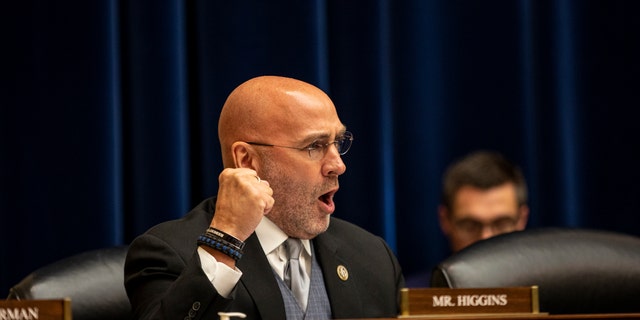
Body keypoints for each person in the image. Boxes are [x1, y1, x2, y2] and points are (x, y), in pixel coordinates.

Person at [124, 75, 404, 320]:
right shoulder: (168, 254)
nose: (338, 165)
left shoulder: (373, 257)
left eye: (337, 143)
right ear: (247, 160)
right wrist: (225, 241)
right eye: (315, 146)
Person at [406, 150, 529, 287]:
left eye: (501, 224)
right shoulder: (410, 299)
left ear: (521, 220)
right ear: (445, 220)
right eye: (470, 226)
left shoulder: (546, 295)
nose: (485, 238)